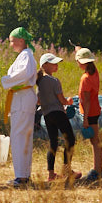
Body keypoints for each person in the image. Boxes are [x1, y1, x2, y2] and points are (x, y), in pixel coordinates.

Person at [1, 27, 38, 186]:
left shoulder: (27, 56)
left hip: (23, 99)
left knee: (19, 137)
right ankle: (23, 175)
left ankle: (22, 176)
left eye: (12, 41)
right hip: (21, 98)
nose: (11, 45)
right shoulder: (24, 56)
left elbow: (23, 75)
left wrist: (6, 80)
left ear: (21, 41)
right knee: (21, 137)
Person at [37, 53, 76, 182]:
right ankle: (67, 170)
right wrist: (69, 101)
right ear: (45, 65)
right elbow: (62, 100)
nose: (56, 65)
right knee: (70, 139)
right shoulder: (54, 81)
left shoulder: (39, 82)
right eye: (53, 63)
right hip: (58, 113)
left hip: (47, 115)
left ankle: (51, 174)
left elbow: (38, 101)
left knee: (53, 143)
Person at [75, 47, 102, 184]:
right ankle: (98, 169)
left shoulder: (85, 78)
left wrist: (85, 119)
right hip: (95, 110)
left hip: (90, 112)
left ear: (83, 63)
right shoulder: (94, 72)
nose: (77, 63)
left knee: (95, 142)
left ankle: (97, 171)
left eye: (78, 61)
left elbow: (86, 100)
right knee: (95, 141)